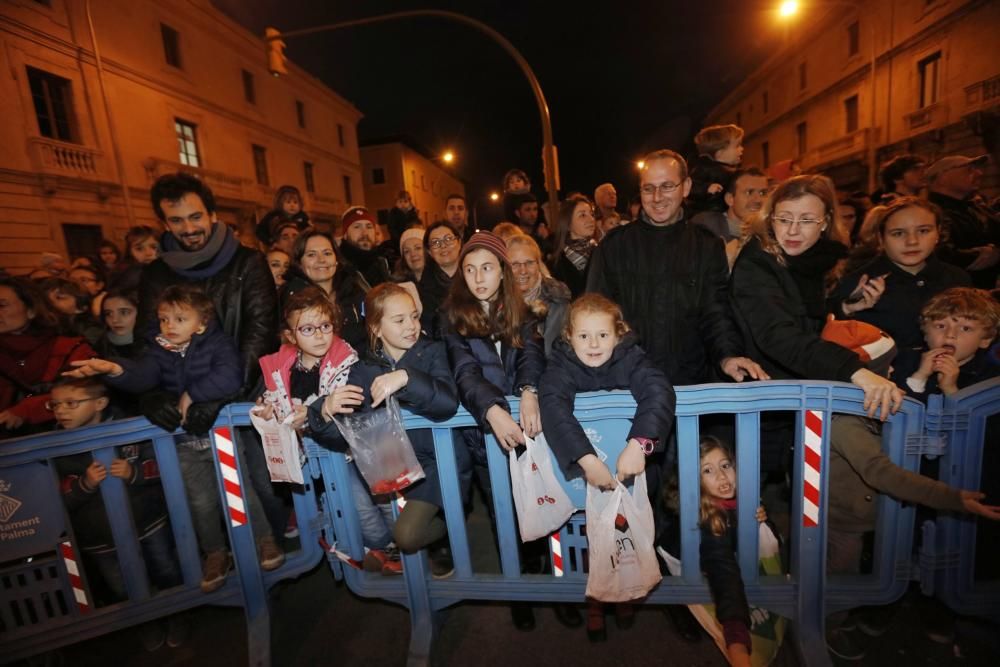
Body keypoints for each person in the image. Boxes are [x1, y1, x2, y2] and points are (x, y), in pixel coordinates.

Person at [65, 284, 284, 591]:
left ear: (201, 323)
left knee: (241, 491)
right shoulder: (159, 349)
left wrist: (192, 394)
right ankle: (215, 553)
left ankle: (264, 540)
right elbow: (143, 376)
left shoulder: (217, 343)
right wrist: (115, 368)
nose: (169, 326)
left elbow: (231, 376)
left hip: (219, 434)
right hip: (182, 442)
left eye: (180, 319)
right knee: (200, 502)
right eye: (164, 319)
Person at [539, 293, 675, 642]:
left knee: (626, 531)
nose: (594, 344)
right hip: (585, 471)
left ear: (619, 333)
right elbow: (552, 404)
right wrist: (585, 459)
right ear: (569, 337)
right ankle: (597, 602)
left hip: (626, 469)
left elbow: (658, 391)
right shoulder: (563, 364)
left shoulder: (630, 357)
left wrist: (640, 443)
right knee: (590, 536)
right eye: (584, 336)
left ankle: (626, 593)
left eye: (603, 335)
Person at [309, 284, 461, 576]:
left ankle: (449, 529)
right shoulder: (363, 370)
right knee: (396, 528)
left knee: (407, 535)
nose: (411, 326)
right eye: (399, 320)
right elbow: (346, 434)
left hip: (437, 463)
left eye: (414, 316)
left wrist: (406, 377)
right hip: (394, 467)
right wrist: (323, 411)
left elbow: (447, 403)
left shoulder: (433, 352)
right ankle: (433, 546)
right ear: (376, 328)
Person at [443, 231, 548, 630]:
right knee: (501, 510)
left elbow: (531, 355)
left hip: (529, 432)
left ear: (503, 271)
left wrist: (529, 390)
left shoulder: (524, 311)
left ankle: (547, 580)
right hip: (485, 436)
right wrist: (491, 408)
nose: (478, 277)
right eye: (470, 269)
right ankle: (518, 589)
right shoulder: (452, 318)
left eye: (486, 268)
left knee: (539, 503)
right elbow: (464, 371)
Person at [730, 174, 903, 418]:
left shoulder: (817, 258)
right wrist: (854, 371)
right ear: (770, 218)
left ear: (824, 223)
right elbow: (778, 334)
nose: (793, 230)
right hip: (762, 398)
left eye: (807, 220)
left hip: (800, 390)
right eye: (784, 219)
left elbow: (804, 317)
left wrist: (845, 308)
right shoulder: (757, 262)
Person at [587, 149, 763, 387]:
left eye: (667, 186)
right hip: (627, 383)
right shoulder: (614, 246)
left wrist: (727, 356)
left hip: (688, 384)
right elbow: (594, 314)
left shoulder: (706, 245)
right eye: (648, 188)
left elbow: (716, 311)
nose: (657, 197)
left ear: (686, 187)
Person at [50, 378, 182, 600]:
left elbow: (163, 464)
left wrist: (134, 472)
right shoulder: (53, 446)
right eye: (54, 405)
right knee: (123, 589)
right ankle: (145, 620)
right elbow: (56, 498)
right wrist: (84, 484)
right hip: (99, 539)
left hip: (148, 522)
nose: (60, 410)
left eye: (71, 403)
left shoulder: (130, 426)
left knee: (167, 571)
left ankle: (180, 611)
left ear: (100, 403)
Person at [832, 198, 971, 386]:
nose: (912, 241)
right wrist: (846, 308)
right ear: (881, 238)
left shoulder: (957, 279)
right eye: (898, 233)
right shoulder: (858, 283)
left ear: (938, 233)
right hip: (881, 386)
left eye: (923, 231)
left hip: (953, 381)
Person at [0, 278, 96, 437]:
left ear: (31, 310)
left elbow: (86, 392)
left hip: (63, 437)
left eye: (2, 305)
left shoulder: (70, 347)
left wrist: (28, 409)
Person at [904, 287, 1000, 399]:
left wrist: (950, 390)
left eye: (965, 328)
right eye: (941, 326)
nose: (950, 334)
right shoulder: (903, 361)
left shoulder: (992, 380)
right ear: (925, 333)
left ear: (985, 339)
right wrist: (920, 376)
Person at [280, 230, 368, 351]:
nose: (321, 260)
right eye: (311, 255)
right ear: (299, 263)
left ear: (336, 259)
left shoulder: (354, 289)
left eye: (327, 253)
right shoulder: (291, 299)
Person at [927, 154, 1000, 289]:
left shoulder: (975, 208)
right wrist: (980, 256)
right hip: (953, 295)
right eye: (969, 170)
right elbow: (940, 255)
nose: (979, 173)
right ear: (942, 177)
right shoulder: (928, 211)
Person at [691, 167, 768, 270]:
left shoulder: (770, 235)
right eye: (749, 192)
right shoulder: (705, 226)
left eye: (763, 193)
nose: (758, 200)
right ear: (730, 199)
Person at [506, 234, 570, 356]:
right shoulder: (495, 303)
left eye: (529, 263)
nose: (523, 270)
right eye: (514, 264)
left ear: (538, 265)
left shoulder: (558, 301)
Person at [418, 221, 463, 338]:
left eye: (448, 239)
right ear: (429, 252)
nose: (443, 246)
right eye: (435, 242)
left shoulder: (474, 277)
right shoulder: (423, 289)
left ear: (459, 243)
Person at [688, 124, 744, 216]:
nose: (742, 149)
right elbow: (690, 187)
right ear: (720, 153)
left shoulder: (733, 172)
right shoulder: (704, 168)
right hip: (707, 216)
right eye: (737, 146)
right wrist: (706, 188)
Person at [551, 195, 598, 298]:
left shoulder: (602, 253)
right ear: (567, 224)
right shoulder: (555, 265)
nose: (591, 219)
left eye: (592, 214)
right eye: (582, 215)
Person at [339, 206, 391, 288]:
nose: (364, 233)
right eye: (357, 227)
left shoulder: (385, 264)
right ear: (345, 234)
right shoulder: (337, 268)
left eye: (369, 227)